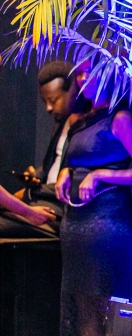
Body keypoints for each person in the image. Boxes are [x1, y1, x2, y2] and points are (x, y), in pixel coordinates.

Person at [54, 60, 132, 336]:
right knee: (81, 307)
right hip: (75, 225)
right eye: (80, 73)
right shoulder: (76, 119)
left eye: (92, 71)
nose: (85, 78)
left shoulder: (121, 119)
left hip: (110, 225)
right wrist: (66, 172)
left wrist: (102, 175)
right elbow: (76, 158)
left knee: (107, 305)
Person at [0, 61, 79, 238]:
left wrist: (31, 189)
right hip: (40, 203)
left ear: (72, 90)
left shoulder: (84, 130)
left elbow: (72, 179)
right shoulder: (60, 124)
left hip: (57, 211)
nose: (48, 108)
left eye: (53, 100)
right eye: (45, 101)